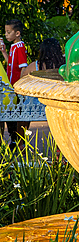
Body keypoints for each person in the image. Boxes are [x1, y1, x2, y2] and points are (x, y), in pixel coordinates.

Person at [1, 19, 29, 147]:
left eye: (8, 32)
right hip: (11, 86)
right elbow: (11, 64)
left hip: (16, 87)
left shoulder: (20, 47)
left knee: (14, 113)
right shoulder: (14, 46)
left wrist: (20, 85)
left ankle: (15, 139)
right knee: (10, 112)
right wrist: (4, 52)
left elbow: (23, 67)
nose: (6, 35)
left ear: (17, 33)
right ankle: (14, 138)